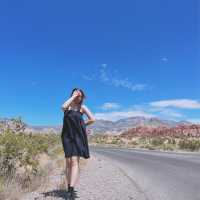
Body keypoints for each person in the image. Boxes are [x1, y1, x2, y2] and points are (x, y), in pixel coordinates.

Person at [61, 88, 96, 199]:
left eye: (79, 95)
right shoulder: (67, 107)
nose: (77, 96)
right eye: (75, 94)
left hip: (78, 136)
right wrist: (73, 97)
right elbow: (62, 107)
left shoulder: (82, 108)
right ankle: (68, 185)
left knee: (74, 161)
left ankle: (71, 190)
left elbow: (92, 119)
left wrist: (83, 125)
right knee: (68, 162)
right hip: (66, 135)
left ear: (82, 97)